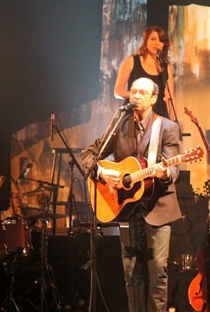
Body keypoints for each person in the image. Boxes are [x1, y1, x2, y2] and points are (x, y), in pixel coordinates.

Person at [81, 77, 182, 311]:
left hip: (157, 208)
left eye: (142, 93)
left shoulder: (167, 127)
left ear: (154, 98)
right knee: (131, 273)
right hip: (125, 208)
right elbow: (88, 155)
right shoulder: (119, 125)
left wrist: (163, 174)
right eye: (133, 91)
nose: (135, 96)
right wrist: (103, 172)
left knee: (158, 271)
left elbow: (173, 168)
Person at [114, 25, 176, 120]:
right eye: (153, 39)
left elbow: (170, 99)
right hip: (134, 114)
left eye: (161, 40)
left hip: (158, 116)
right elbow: (118, 91)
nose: (157, 43)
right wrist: (139, 97)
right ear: (146, 41)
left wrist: (173, 124)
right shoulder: (132, 61)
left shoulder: (166, 67)